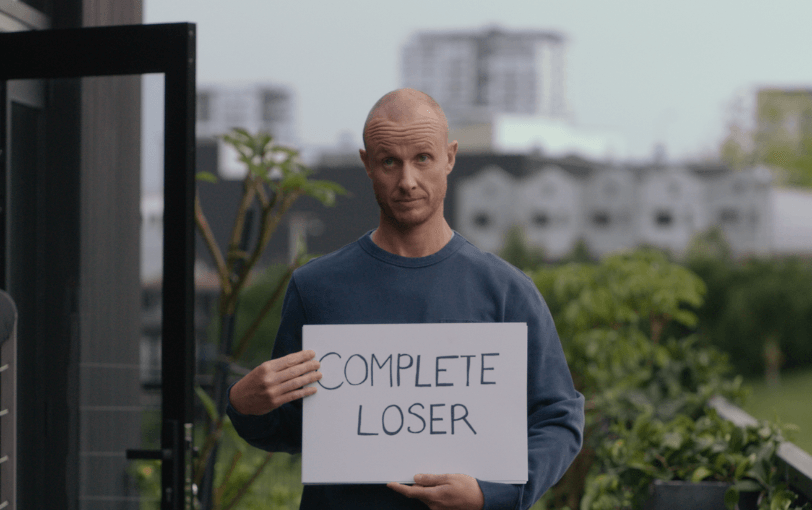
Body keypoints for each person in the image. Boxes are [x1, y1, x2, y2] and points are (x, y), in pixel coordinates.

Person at [227, 88, 585, 510]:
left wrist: (492, 495)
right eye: (389, 162)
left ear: (449, 157)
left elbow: (559, 418)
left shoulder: (506, 290)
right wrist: (245, 404)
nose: (407, 181)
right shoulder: (316, 287)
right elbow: (295, 429)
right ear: (367, 164)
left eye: (423, 158)